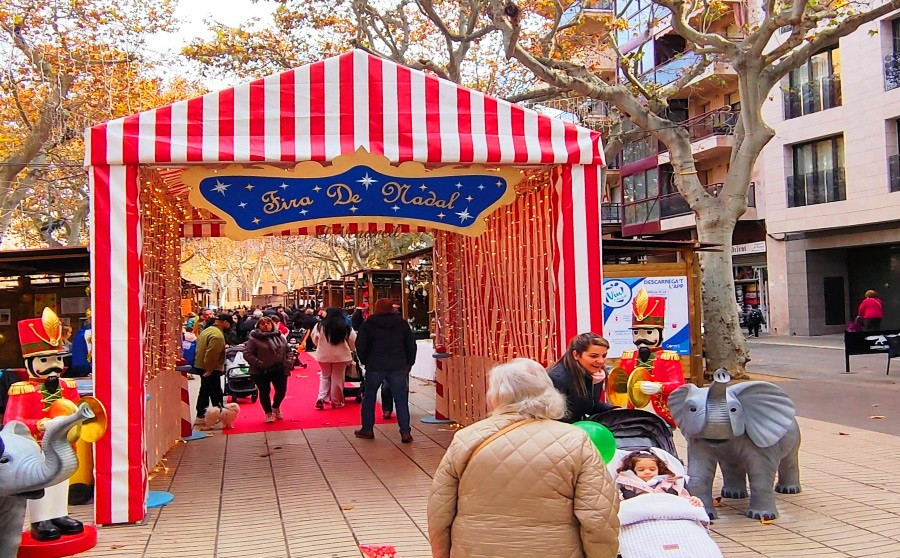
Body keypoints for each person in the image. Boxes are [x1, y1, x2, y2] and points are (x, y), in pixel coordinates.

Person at [427, 358, 620, 558]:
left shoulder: (467, 439)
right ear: (549, 391)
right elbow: (598, 516)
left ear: (496, 395)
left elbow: (439, 511)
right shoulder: (575, 440)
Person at [354, 298, 417, 442]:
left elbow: (361, 344)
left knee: (369, 397)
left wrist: (365, 361)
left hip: (375, 365)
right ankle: (405, 432)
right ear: (392, 308)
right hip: (397, 364)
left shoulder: (369, 323)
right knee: (401, 399)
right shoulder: (401, 323)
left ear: (376, 308)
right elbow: (410, 344)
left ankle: (367, 428)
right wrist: (409, 363)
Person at [548, 332, 615, 423]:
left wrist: (614, 410)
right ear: (576, 355)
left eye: (604, 356)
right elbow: (555, 416)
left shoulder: (595, 374)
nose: (601, 361)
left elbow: (590, 405)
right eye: (593, 356)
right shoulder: (557, 378)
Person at [243, 316, 293, 423]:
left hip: (280, 368)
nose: (266, 325)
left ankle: (275, 406)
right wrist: (259, 363)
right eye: (263, 324)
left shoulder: (280, 336)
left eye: (268, 323)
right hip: (261, 371)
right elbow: (247, 354)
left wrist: (288, 362)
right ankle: (268, 412)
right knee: (265, 391)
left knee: (281, 391)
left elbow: (288, 351)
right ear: (258, 326)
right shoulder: (254, 339)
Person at [615, 450, 703, 507]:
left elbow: (683, 498)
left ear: (659, 469)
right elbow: (619, 504)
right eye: (641, 470)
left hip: (669, 514)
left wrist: (693, 501)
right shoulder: (628, 486)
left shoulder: (668, 484)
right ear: (633, 471)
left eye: (652, 469)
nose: (647, 472)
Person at [311, 307, 356, 409]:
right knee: (337, 378)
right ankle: (336, 401)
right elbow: (353, 340)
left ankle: (322, 398)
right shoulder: (345, 326)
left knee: (325, 376)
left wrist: (321, 345)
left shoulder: (319, 326)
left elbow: (314, 338)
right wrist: (352, 349)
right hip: (341, 356)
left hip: (324, 355)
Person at [194, 313, 232, 422]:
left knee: (206, 389)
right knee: (214, 390)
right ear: (224, 322)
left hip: (200, 364)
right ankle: (211, 413)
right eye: (229, 323)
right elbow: (211, 354)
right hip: (210, 367)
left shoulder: (208, 330)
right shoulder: (217, 335)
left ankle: (203, 413)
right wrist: (209, 368)